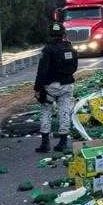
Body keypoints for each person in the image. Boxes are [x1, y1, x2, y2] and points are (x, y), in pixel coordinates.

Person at [34, 21, 78, 153]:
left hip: (50, 87)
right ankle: (63, 142)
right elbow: (74, 67)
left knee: (46, 112)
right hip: (66, 86)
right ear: (63, 34)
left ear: (50, 35)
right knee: (64, 112)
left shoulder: (47, 50)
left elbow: (42, 71)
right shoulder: (71, 49)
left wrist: (37, 89)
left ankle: (45, 144)